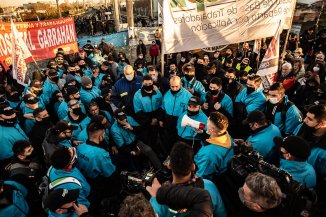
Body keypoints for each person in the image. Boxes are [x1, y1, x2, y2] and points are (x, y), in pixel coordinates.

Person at [149, 142, 227, 217]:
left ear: (169, 165)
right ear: (193, 167)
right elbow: (222, 214)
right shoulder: (209, 186)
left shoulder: (157, 201)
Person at [158, 76, 192, 154]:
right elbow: (162, 107)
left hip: (180, 124)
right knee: (167, 142)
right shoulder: (167, 94)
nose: (174, 89)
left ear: (181, 84)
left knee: (179, 144)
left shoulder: (188, 96)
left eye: (176, 86)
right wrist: (161, 119)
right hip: (168, 122)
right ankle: (169, 156)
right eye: (172, 86)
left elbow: (191, 112)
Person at [195, 112, 234, 179]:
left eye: (207, 121)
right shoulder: (226, 135)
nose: (206, 122)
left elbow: (201, 177)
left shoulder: (209, 155)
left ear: (212, 130)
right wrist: (202, 134)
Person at [133, 75, 162, 147]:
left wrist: (157, 118)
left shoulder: (158, 93)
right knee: (147, 140)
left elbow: (161, 106)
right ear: (142, 83)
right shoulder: (137, 95)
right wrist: (149, 120)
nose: (148, 85)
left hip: (157, 119)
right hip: (145, 122)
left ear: (152, 83)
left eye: (150, 84)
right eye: (146, 84)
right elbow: (138, 111)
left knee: (157, 138)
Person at [0, 105, 28, 179]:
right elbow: (8, 156)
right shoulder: (2, 135)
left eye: (13, 113)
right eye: (8, 115)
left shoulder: (13, 123)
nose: (13, 116)